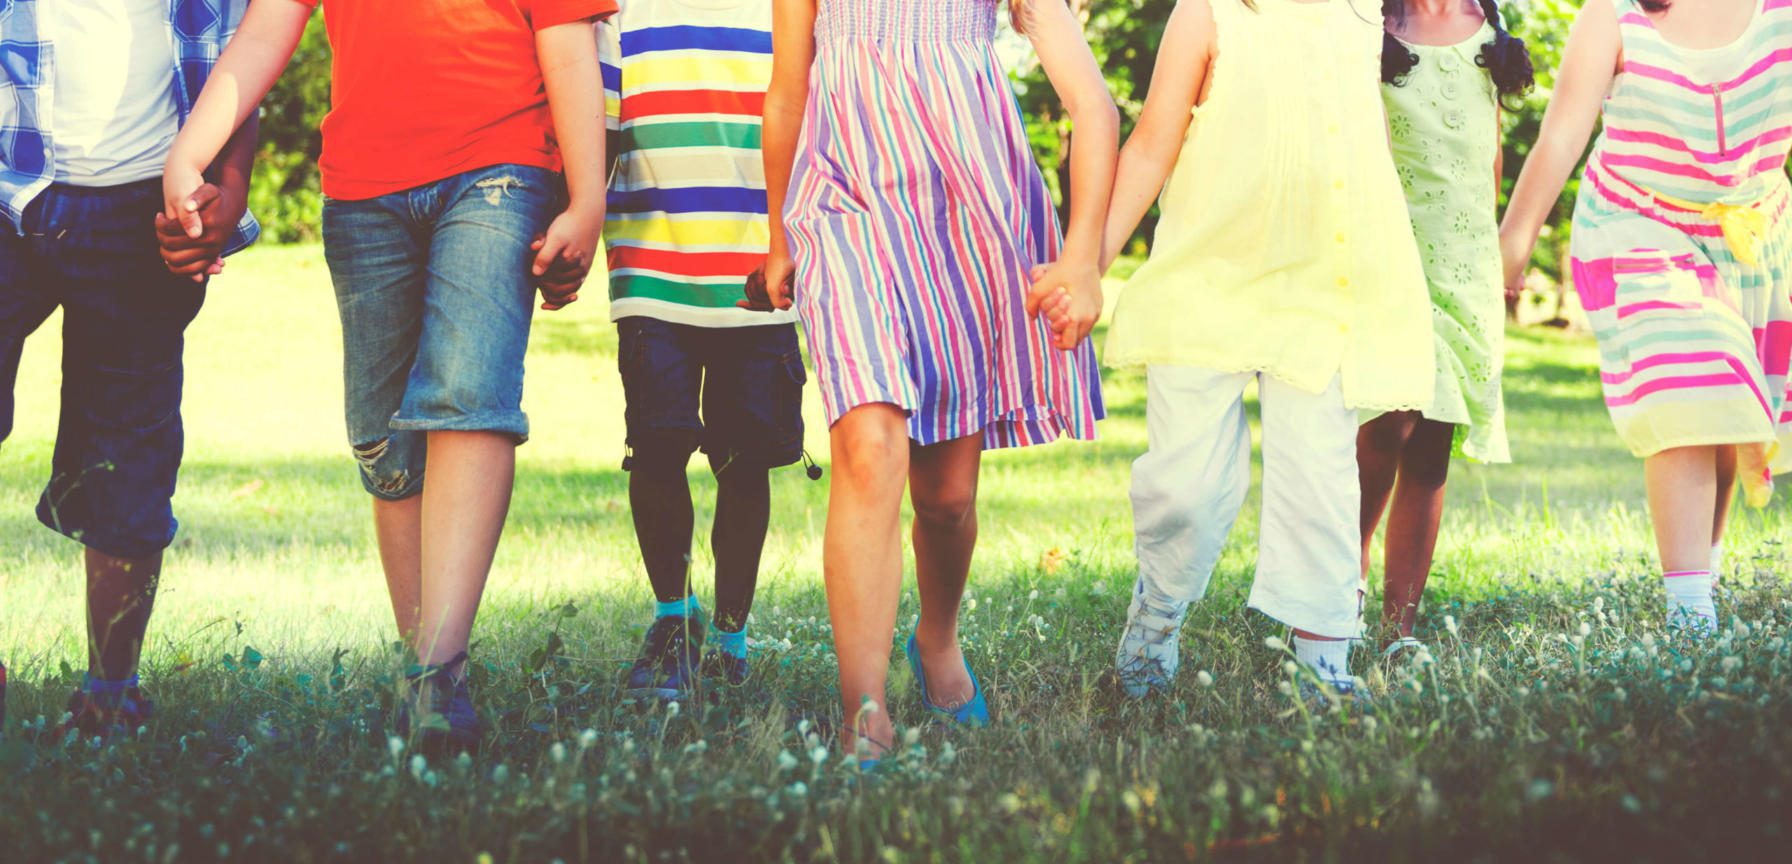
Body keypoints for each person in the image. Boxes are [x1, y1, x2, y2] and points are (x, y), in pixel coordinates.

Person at [163, 0, 614, 751]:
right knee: (383, 438)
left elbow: (566, 39)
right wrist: (190, 155)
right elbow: (268, 28)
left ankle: (442, 674)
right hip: (363, 189)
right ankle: (421, 676)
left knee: (468, 392)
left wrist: (587, 196)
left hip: (499, 166)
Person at [753, 0, 1116, 759]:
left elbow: (1093, 105)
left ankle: (937, 638)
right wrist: (779, 230)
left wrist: (1082, 258)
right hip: (842, 201)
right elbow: (789, 87)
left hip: (968, 213)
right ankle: (866, 714)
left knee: (947, 500)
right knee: (869, 446)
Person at [1100, 0, 1434, 702]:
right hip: (1207, 280)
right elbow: (1152, 142)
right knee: (1185, 488)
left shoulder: (1360, 12)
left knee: (1321, 477)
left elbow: (1364, 144)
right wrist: (1087, 263)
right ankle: (1155, 623)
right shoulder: (1209, 11)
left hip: (1322, 284)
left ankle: (1324, 661)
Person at [0, 0, 261, 737]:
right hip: (5, 191)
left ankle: (109, 697)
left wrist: (229, 188)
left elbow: (244, 56)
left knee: (127, 456)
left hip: (143, 210)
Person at [1501, 0, 1792, 637]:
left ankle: (1702, 580)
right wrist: (1512, 249)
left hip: (1751, 234)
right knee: (1692, 384)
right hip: (1640, 227)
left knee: (1726, 412)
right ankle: (1689, 619)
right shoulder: (1615, 15)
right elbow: (1561, 138)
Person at [598, 0, 806, 696]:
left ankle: (729, 634)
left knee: (743, 462)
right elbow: (593, 118)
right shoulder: (619, 9)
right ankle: (671, 616)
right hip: (651, 264)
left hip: (760, 266)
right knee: (655, 446)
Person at [1362, 0, 1532, 657]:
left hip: (1464, 263)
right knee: (1386, 422)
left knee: (1432, 447)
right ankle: (1336, 584)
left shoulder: (1488, 23)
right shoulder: (1370, 22)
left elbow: (1488, 158)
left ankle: (1396, 631)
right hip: (1394, 255)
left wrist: (1492, 255)